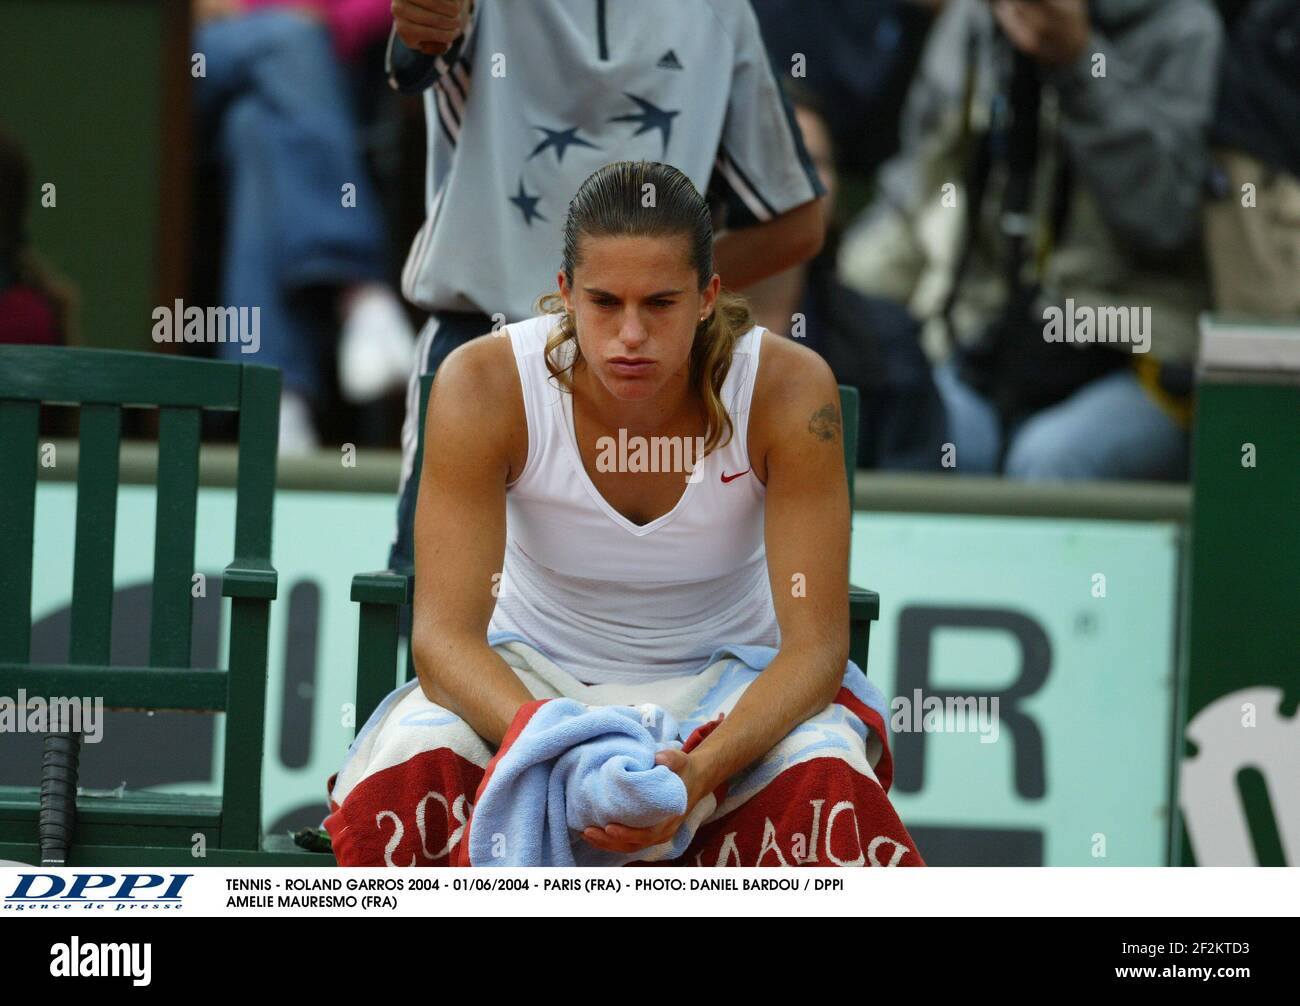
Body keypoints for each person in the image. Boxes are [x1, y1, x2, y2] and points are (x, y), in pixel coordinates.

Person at [324, 161, 923, 867]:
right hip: (530, 684)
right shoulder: (483, 384)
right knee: (419, 756)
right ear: (565, 294)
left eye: (661, 304)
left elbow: (817, 651)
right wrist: (556, 742)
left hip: (734, 693)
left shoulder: (791, 389)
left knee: (830, 775)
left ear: (708, 296)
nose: (630, 335)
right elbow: (444, 642)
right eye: (605, 303)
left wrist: (702, 771)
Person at [384, 0, 829, 572]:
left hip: (647, 365)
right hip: (487, 357)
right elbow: (426, 30)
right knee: (431, 617)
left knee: (640, 631)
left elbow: (796, 221)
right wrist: (427, 21)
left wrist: (649, 296)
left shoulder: (722, 11)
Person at [839, 0, 1223, 480]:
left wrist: (1078, 64)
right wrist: (836, 313)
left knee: (1049, 463)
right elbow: (917, 188)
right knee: (927, 434)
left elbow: (1162, 219)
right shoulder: (978, 19)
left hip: (1136, 354)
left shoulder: (1183, 26)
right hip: (984, 341)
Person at [193, 0, 416, 452]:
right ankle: (360, 290)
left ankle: (276, 401)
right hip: (191, 61)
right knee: (291, 41)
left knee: (254, 129)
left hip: (312, 84)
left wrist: (326, 17)